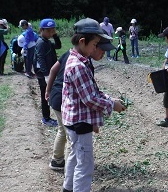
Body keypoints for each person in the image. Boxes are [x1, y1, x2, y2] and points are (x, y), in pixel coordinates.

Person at [62, 18, 126, 192]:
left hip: (72, 119)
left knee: (74, 155)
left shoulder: (79, 60)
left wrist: (108, 98)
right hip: (80, 122)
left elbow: (92, 91)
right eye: (95, 45)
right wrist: (111, 105)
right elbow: (90, 99)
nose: (96, 49)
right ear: (82, 42)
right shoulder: (78, 66)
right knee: (85, 162)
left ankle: (68, 187)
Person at [45, 37, 116, 171]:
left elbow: (54, 69)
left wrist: (48, 90)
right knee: (71, 139)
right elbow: (89, 98)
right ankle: (68, 173)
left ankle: (57, 161)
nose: (103, 54)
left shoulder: (73, 55)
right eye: (100, 49)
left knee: (63, 131)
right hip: (64, 99)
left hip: (59, 96)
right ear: (92, 46)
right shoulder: (81, 63)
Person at [34, 18, 62, 127]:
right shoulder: (41, 43)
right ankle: (46, 118)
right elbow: (40, 59)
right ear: (41, 30)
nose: (51, 33)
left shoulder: (47, 42)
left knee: (49, 93)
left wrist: (55, 35)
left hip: (49, 73)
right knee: (45, 95)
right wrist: (46, 75)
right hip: (43, 73)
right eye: (49, 31)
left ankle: (49, 116)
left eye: (53, 30)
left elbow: (58, 46)